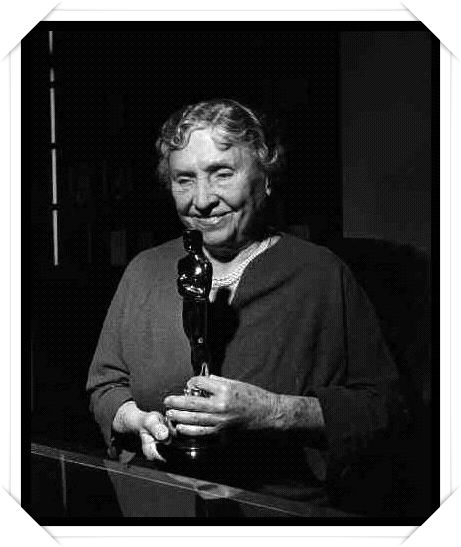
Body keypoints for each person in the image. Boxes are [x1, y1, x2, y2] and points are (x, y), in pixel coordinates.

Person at [86, 98, 409, 514]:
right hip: (158, 508)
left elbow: (385, 411)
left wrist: (274, 411)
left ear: (265, 176)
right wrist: (133, 419)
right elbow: (105, 387)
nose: (202, 200)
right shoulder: (144, 271)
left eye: (222, 174)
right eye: (184, 179)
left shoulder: (321, 275)